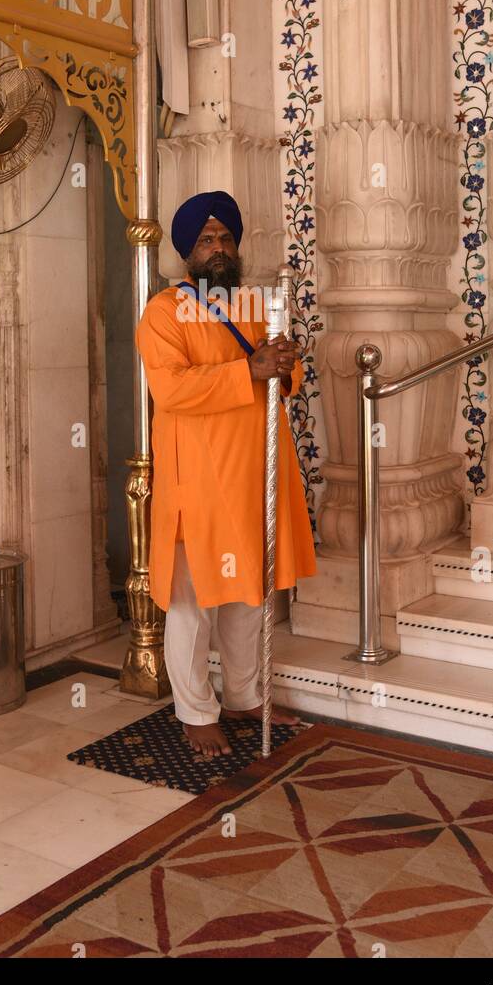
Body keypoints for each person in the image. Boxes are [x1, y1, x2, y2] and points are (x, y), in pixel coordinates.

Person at [135, 190, 317, 757]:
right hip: (199, 481)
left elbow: (285, 375)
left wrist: (284, 366)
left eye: (225, 238)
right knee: (192, 602)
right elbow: (172, 389)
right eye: (206, 239)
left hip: (253, 476)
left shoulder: (252, 306)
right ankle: (194, 711)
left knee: (247, 594)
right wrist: (249, 370)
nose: (217, 247)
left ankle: (243, 696)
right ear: (186, 252)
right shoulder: (164, 312)